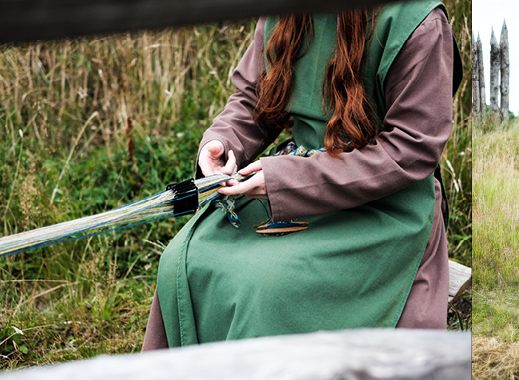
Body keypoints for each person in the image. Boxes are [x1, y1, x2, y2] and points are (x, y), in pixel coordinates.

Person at [141, 0, 462, 349]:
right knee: (183, 260)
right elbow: (253, 98)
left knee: (268, 286)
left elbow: (411, 148)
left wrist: (286, 180)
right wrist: (222, 142)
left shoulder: (417, 19)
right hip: (289, 183)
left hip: (384, 206)